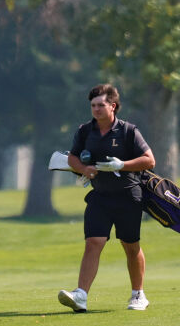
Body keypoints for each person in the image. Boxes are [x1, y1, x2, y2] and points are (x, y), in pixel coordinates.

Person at [58, 83, 156, 313]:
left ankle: (138, 294)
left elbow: (149, 160)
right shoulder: (84, 131)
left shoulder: (128, 131)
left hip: (128, 196)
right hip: (100, 197)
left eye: (101, 105)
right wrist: (83, 168)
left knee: (130, 246)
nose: (96, 109)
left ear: (113, 106)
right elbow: (72, 157)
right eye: (93, 105)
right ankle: (81, 295)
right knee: (93, 243)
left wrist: (122, 165)